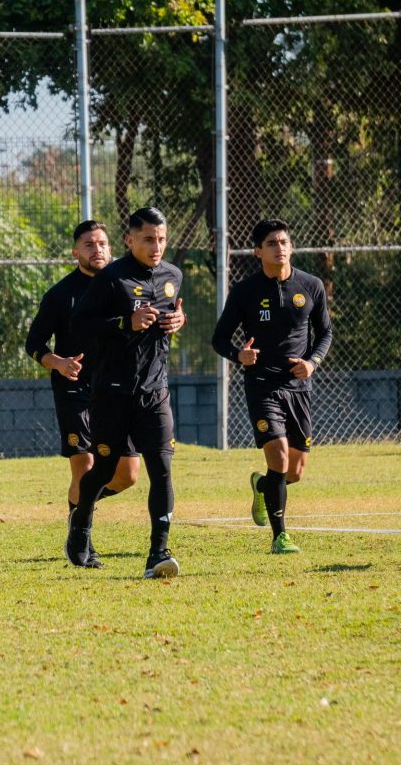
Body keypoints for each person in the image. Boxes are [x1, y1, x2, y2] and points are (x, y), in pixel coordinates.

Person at [27, 220, 173, 567]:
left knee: (127, 475)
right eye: (89, 245)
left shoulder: (127, 282)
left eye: (103, 244)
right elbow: (34, 343)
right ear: (75, 251)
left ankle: (81, 511)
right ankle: (84, 541)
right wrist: (58, 362)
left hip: (125, 389)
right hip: (77, 389)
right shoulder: (62, 293)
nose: (98, 250)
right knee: (87, 464)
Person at [65, 206, 184, 578]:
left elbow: (169, 316)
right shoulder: (111, 278)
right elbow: (80, 327)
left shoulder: (172, 276)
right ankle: (80, 522)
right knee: (102, 470)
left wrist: (178, 321)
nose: (157, 246)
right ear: (130, 240)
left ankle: (158, 554)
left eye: (162, 239)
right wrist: (123, 322)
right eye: (149, 239)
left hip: (155, 392)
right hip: (112, 393)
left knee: (161, 470)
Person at [212, 218, 333, 554]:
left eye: (283, 242)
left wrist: (312, 363)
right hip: (262, 385)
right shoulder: (244, 291)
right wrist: (240, 355)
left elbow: (325, 334)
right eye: (271, 243)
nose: (279, 248)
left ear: (291, 246)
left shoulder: (310, 285)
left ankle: (263, 486)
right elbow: (219, 339)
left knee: (295, 469)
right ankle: (281, 537)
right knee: (278, 454)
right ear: (257, 251)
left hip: (297, 387)